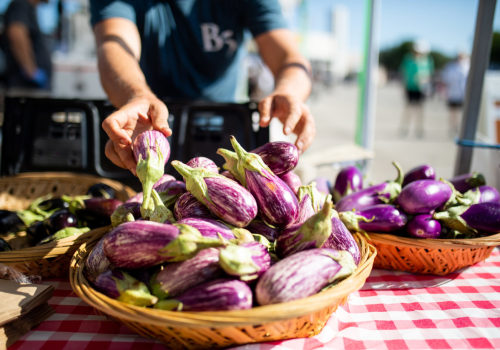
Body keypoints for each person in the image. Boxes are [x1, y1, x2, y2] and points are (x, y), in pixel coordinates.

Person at [89, 0, 316, 174]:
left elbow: (289, 57)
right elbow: (113, 44)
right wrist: (134, 96)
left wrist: (289, 91)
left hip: (220, 135)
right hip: (146, 131)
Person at [2, 0, 52, 91]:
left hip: (29, 87)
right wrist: (31, 72)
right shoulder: (20, 5)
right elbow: (16, 34)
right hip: (23, 87)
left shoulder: (30, 9)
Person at [398, 40, 434, 138]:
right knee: (408, 108)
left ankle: (419, 129)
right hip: (410, 87)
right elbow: (404, 73)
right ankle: (405, 128)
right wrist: (404, 86)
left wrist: (424, 80)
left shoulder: (427, 60)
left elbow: (429, 74)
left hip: (421, 88)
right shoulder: (408, 59)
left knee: (420, 109)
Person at [441, 52, 470, 137]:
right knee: (453, 112)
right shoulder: (450, 67)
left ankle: (461, 128)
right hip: (453, 93)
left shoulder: (467, 66)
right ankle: (453, 128)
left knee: (462, 112)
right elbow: (446, 79)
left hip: (463, 94)